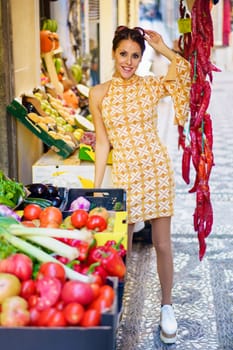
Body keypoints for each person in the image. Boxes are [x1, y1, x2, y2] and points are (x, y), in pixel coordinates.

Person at [89, 26, 191, 344]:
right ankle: (116, 309)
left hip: (156, 169)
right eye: (124, 54)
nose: (129, 62)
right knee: (123, 249)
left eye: (135, 55)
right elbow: (103, 144)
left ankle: (167, 307)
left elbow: (184, 70)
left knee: (162, 244)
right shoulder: (98, 94)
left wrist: (161, 47)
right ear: (113, 53)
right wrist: (95, 190)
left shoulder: (149, 86)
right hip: (126, 175)